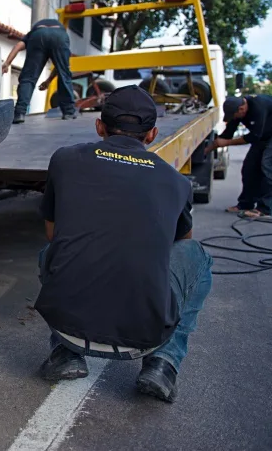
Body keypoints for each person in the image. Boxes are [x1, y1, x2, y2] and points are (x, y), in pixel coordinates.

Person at [36, 85, 213, 403]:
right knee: (196, 255)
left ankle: (64, 354)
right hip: (145, 335)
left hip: (65, 322)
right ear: (153, 134)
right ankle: (163, 364)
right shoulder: (176, 182)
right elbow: (180, 242)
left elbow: (53, 234)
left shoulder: (64, 160)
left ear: (99, 126)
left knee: (50, 252)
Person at [204, 95, 272, 217]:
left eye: (235, 115)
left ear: (242, 108)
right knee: (249, 167)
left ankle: (264, 209)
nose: (234, 118)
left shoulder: (259, 107)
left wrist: (227, 143)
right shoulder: (236, 112)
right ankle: (245, 204)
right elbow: (228, 134)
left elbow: (253, 137)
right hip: (264, 133)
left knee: (270, 164)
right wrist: (207, 149)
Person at [1, 18, 77, 124]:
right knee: (64, 74)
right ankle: (69, 112)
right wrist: (49, 81)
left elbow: (18, 46)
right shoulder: (59, 29)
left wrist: (7, 63)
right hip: (59, 35)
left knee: (28, 77)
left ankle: (19, 113)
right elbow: (60, 68)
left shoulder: (32, 32)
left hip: (38, 35)